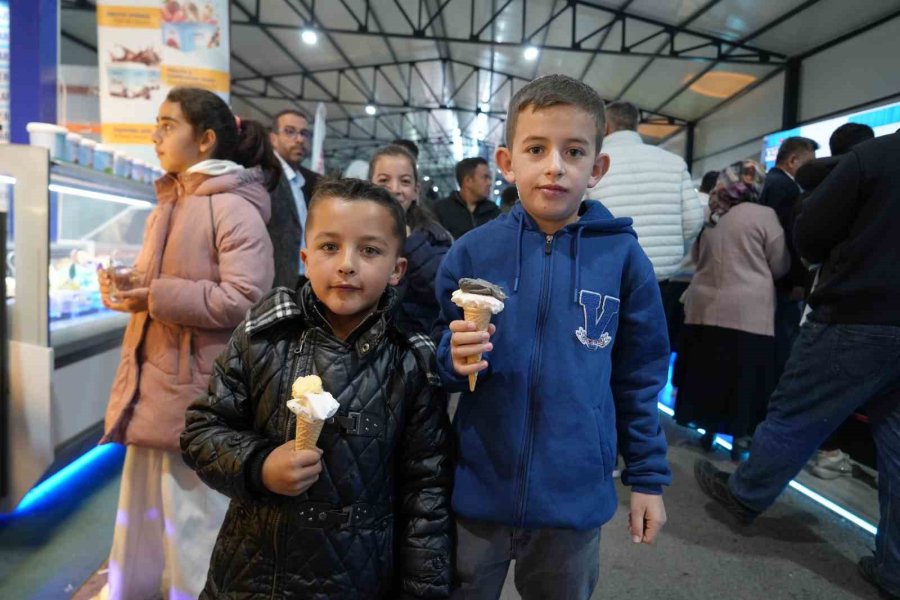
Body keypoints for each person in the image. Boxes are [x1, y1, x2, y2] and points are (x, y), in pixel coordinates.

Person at [435, 74, 670, 599]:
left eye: (574, 151)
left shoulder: (623, 259)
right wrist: (449, 358)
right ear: (506, 162)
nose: (555, 165)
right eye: (536, 149)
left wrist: (648, 478)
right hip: (478, 489)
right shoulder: (471, 254)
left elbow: (639, 378)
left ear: (597, 169)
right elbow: (430, 348)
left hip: (573, 500)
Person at [181, 178, 453, 599]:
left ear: (397, 270)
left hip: (362, 578)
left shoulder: (412, 360)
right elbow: (201, 431)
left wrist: (423, 591)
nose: (347, 264)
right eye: (330, 247)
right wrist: (258, 464)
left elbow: (426, 489)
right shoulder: (264, 335)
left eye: (369, 250)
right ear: (306, 259)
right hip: (256, 575)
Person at [694, 132, 900, 600]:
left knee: (795, 411)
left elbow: (811, 233)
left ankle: (745, 492)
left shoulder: (877, 157)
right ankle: (895, 567)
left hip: (860, 311)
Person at [95, 87, 277, 600]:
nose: (156, 135)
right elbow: (167, 288)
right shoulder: (170, 203)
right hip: (156, 386)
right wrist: (134, 290)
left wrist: (156, 293)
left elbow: (245, 298)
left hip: (197, 390)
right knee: (145, 512)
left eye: (168, 124)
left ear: (206, 140)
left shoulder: (232, 207)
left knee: (192, 521)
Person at [673, 161, 789, 457]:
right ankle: (740, 439)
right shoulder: (764, 215)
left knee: (709, 372)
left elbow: (698, 257)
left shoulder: (712, 213)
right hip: (748, 310)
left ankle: (707, 431)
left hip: (705, 306)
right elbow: (779, 263)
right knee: (744, 378)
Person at [584, 101, 703, 351]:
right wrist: (673, 253)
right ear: (636, 124)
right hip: (661, 280)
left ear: (605, 127)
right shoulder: (673, 162)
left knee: (603, 349)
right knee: (649, 353)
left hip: (608, 276)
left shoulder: (593, 164)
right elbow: (694, 220)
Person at [793, 123, 874, 480]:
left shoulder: (819, 183)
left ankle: (817, 452)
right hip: (860, 305)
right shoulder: (868, 182)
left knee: (808, 388)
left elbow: (807, 240)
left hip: (826, 299)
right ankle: (827, 453)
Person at [369, 144, 452, 337]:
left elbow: (444, 291)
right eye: (384, 181)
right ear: (369, 186)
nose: (395, 189)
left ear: (416, 191)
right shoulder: (352, 232)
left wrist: (410, 243)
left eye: (405, 181)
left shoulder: (434, 235)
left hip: (417, 344)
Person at [758, 135, 818, 381]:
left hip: (763, 277)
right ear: (793, 160)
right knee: (784, 342)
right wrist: (795, 281)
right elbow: (786, 238)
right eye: (809, 162)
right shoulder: (786, 188)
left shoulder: (767, 182)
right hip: (781, 280)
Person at [268, 108, 321, 288]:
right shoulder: (264, 177)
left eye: (304, 133)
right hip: (274, 282)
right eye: (290, 132)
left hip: (304, 279)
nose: (299, 139)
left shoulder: (308, 181)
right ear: (273, 138)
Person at [433, 156, 500, 239]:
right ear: (468, 181)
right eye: (485, 177)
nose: (489, 183)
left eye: (490, 178)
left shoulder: (494, 212)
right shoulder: (441, 210)